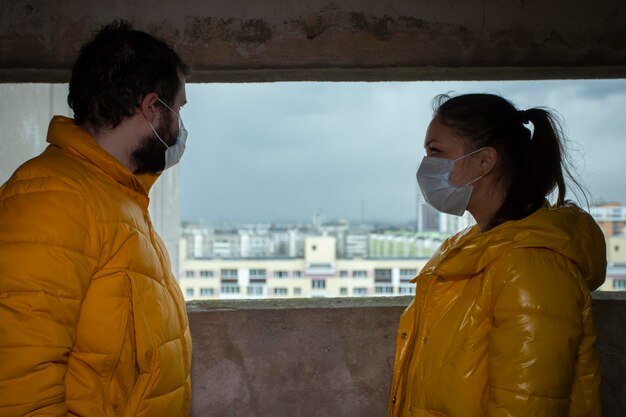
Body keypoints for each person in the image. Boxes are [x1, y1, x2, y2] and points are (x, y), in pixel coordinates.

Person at [0, 21, 192, 416]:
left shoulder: (118, 197)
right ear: (153, 107)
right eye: (178, 110)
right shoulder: (52, 197)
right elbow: (18, 383)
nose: (181, 129)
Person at [388, 93, 606, 417]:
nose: (426, 166)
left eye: (436, 151)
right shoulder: (475, 245)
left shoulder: (532, 267)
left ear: (484, 161)